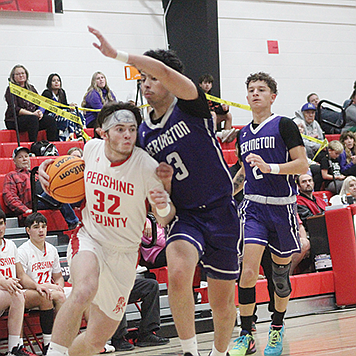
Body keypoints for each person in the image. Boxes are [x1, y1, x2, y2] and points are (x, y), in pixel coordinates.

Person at [89, 26, 242, 356]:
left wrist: (117, 55)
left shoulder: (191, 105)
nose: (147, 84)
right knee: (176, 273)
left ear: (169, 79)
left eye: (152, 78)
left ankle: (221, 352)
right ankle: (189, 350)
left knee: (222, 303)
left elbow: (162, 70)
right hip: (185, 217)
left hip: (222, 211)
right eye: (143, 79)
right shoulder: (143, 133)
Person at [38, 100, 176, 356]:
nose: (127, 134)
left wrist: (163, 205)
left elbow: (165, 217)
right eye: (119, 128)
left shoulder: (146, 166)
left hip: (124, 255)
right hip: (90, 238)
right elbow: (62, 171)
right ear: (103, 131)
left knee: (95, 340)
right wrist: (44, 170)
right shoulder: (91, 149)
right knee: (83, 290)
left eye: (131, 129)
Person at [230, 72, 308, 356]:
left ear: (272, 96)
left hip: (282, 207)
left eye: (261, 89)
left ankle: (277, 327)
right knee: (248, 271)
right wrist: (228, 193)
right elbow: (243, 171)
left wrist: (271, 168)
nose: (255, 94)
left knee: (279, 278)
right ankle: (247, 333)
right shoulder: (243, 133)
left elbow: (302, 165)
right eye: (251, 89)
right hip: (253, 208)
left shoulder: (284, 125)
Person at [0, 210, 51, 356]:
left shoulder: (10, 245)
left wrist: (37, 286)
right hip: (5, 293)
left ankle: (49, 345)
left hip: (10, 294)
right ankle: (14, 348)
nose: (0, 228)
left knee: (44, 295)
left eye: (1, 224)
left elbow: (21, 275)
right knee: (16, 295)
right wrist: (3, 280)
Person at [18, 213, 66, 355]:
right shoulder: (22, 251)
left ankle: (96, 341)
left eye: (44, 227)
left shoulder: (52, 249)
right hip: (30, 291)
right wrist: (48, 287)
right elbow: (22, 280)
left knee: (82, 294)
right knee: (54, 296)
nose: (41, 230)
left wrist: (60, 287)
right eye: (36, 227)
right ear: (28, 230)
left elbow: (58, 277)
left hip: (50, 290)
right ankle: (53, 343)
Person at [2, 146, 79, 229]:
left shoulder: (37, 173)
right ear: (14, 161)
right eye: (20, 157)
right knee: (56, 192)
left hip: (45, 199)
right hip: (33, 204)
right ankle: (74, 222)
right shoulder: (11, 175)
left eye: (26, 156)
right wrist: (25, 210)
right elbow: (10, 197)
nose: (24, 159)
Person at [110, 273, 169, 351]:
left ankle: (146, 334)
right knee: (117, 290)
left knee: (151, 285)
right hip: (104, 288)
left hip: (122, 283)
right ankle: (118, 338)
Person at [4, 65, 59, 142]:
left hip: (33, 117)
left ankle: (52, 144)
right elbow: (15, 109)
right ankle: (33, 144)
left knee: (50, 120)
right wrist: (32, 114)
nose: (21, 75)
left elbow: (39, 103)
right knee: (33, 119)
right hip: (15, 120)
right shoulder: (11, 89)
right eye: (18, 74)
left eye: (23, 73)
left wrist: (40, 112)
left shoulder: (31, 88)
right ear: (13, 77)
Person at [42, 74, 84, 142]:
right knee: (66, 117)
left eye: (58, 80)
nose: (56, 82)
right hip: (51, 114)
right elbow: (46, 108)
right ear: (49, 83)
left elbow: (64, 105)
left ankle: (79, 134)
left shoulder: (62, 92)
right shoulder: (47, 93)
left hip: (61, 113)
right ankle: (65, 138)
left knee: (76, 113)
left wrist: (70, 106)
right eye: (53, 81)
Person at [198, 73, 236, 143]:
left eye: (209, 83)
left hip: (212, 118)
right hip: (201, 119)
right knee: (213, 114)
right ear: (200, 84)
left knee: (228, 115)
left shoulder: (213, 97)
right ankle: (214, 135)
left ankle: (226, 135)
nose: (207, 85)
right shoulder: (198, 95)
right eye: (205, 83)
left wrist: (224, 110)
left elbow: (218, 109)